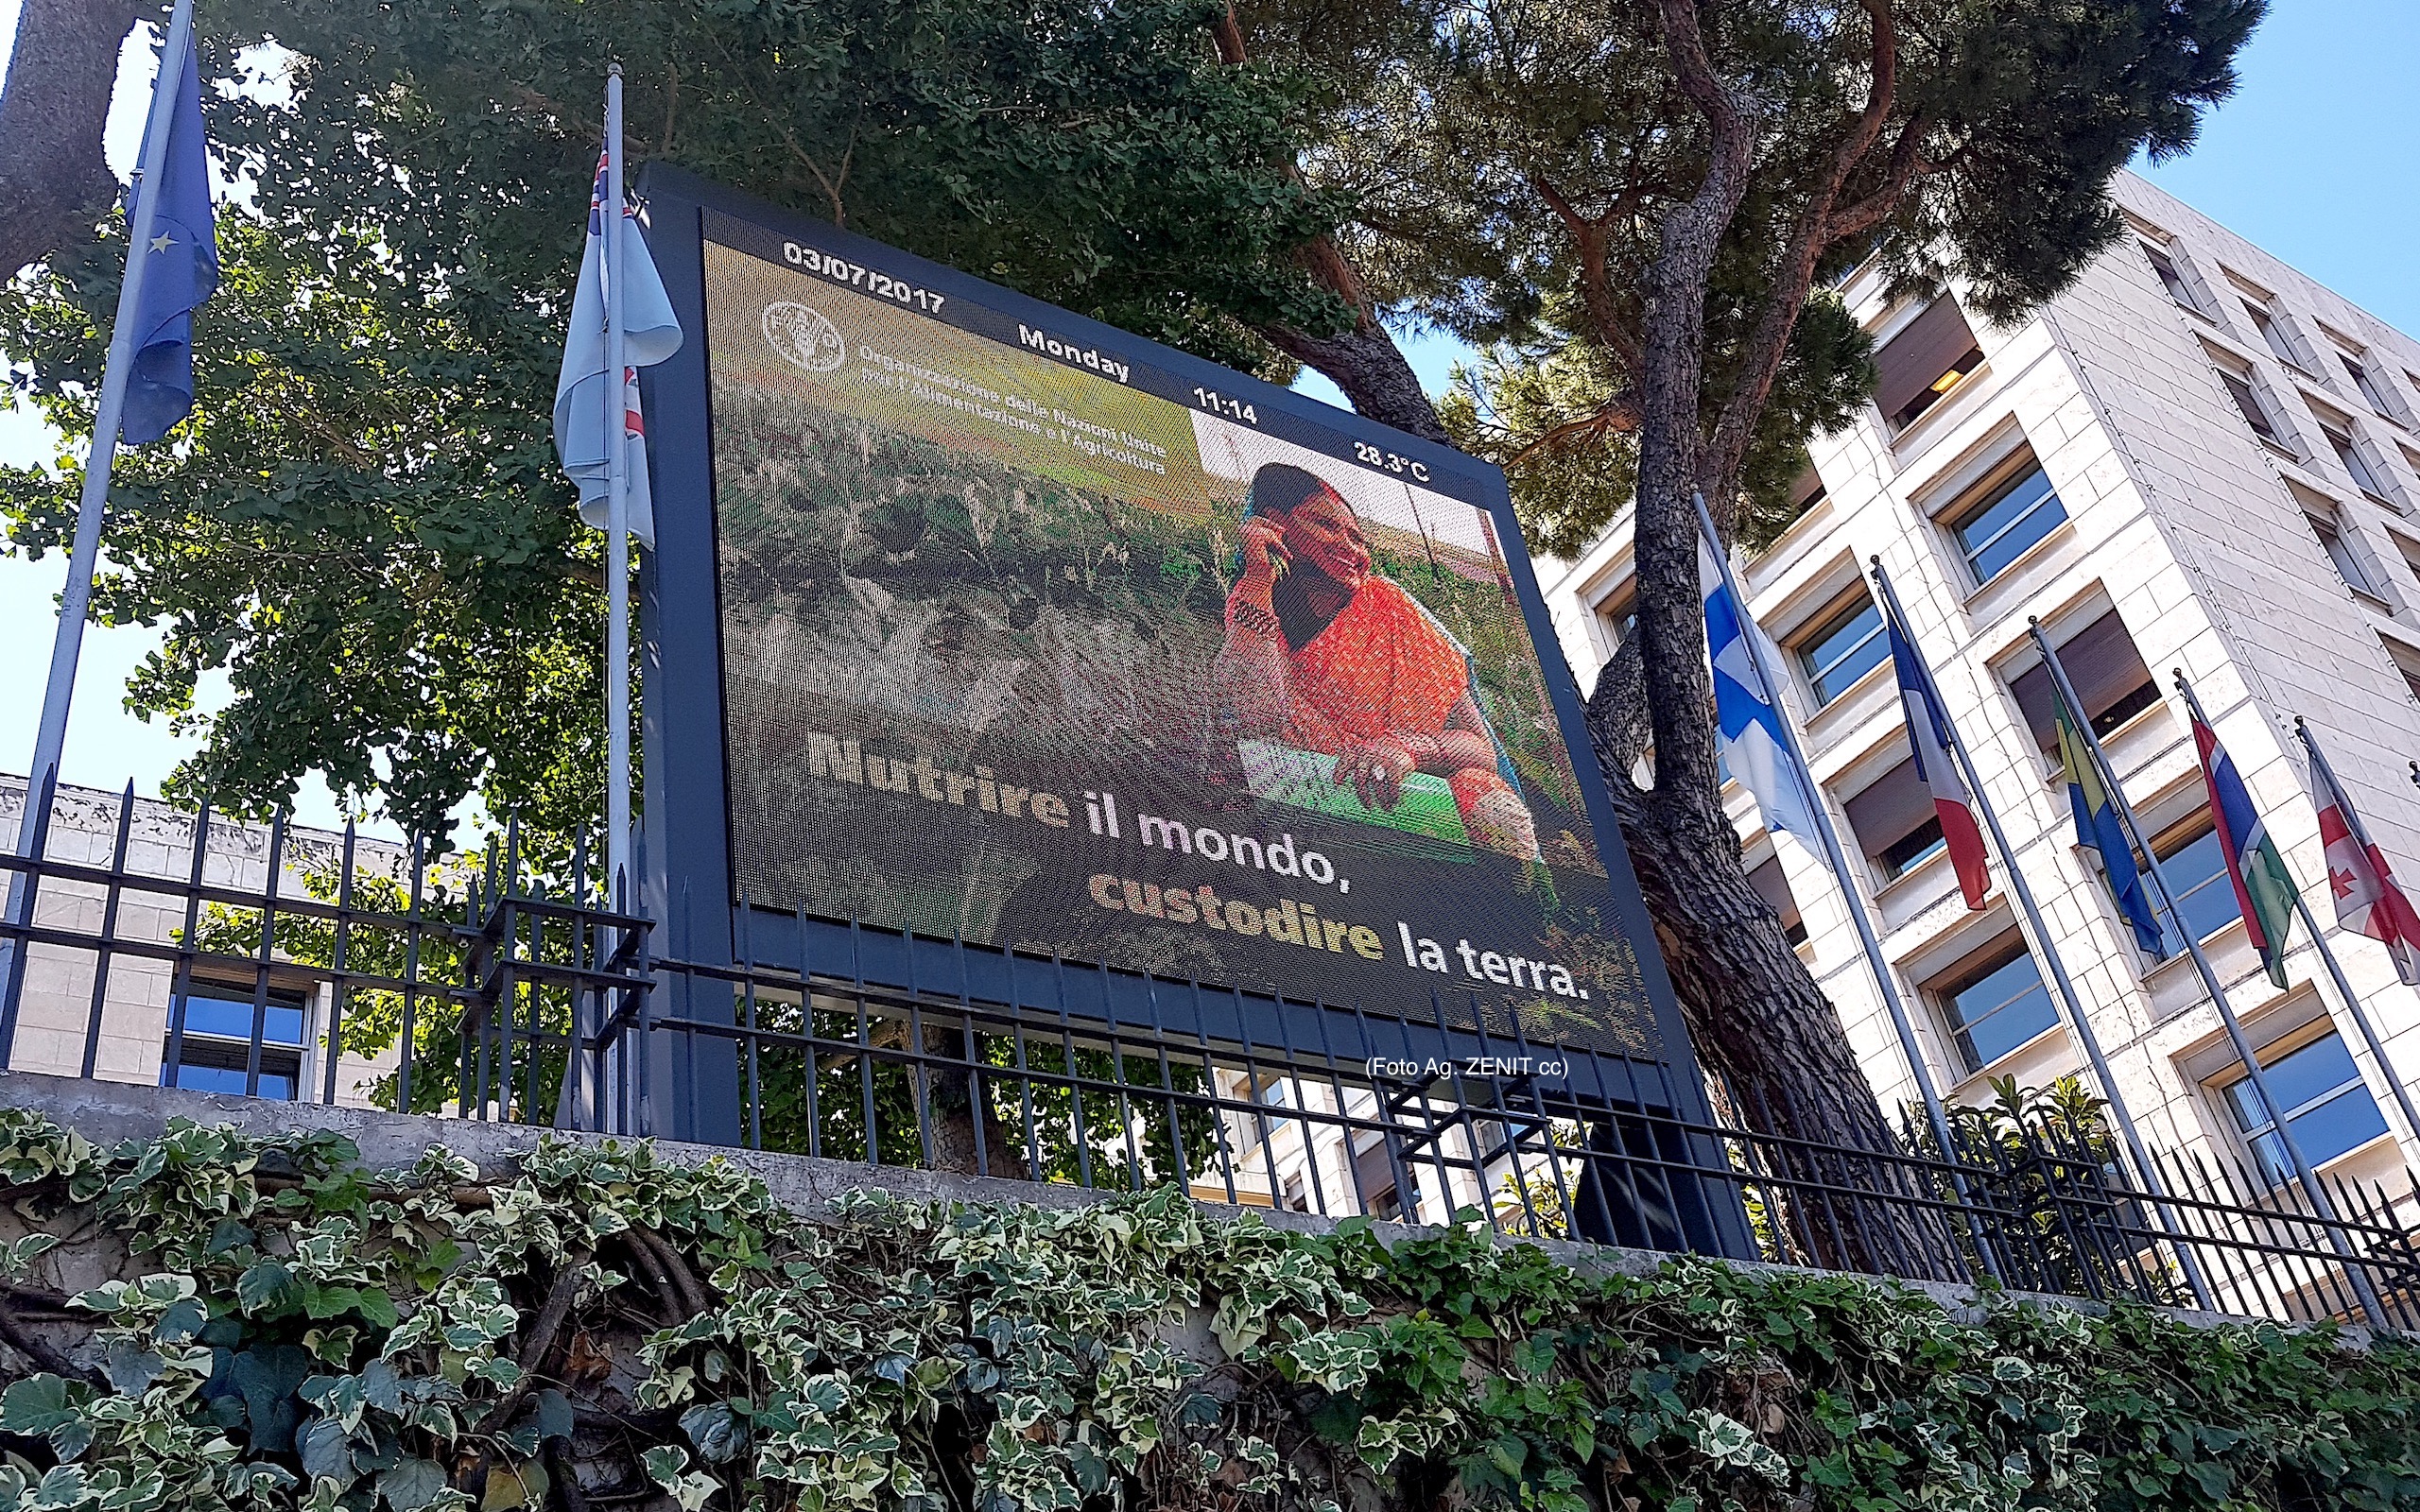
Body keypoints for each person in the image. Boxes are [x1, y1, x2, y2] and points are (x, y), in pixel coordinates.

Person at [1214, 462, 1540, 858]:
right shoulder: (1253, 601)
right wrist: (1259, 579)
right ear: (1275, 526)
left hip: (1412, 801)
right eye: (1325, 525)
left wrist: (1408, 749)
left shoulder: (1390, 608)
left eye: (1357, 537)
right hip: (1305, 823)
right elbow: (1255, 718)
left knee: (1490, 803)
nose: (1351, 548)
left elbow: (1479, 749)